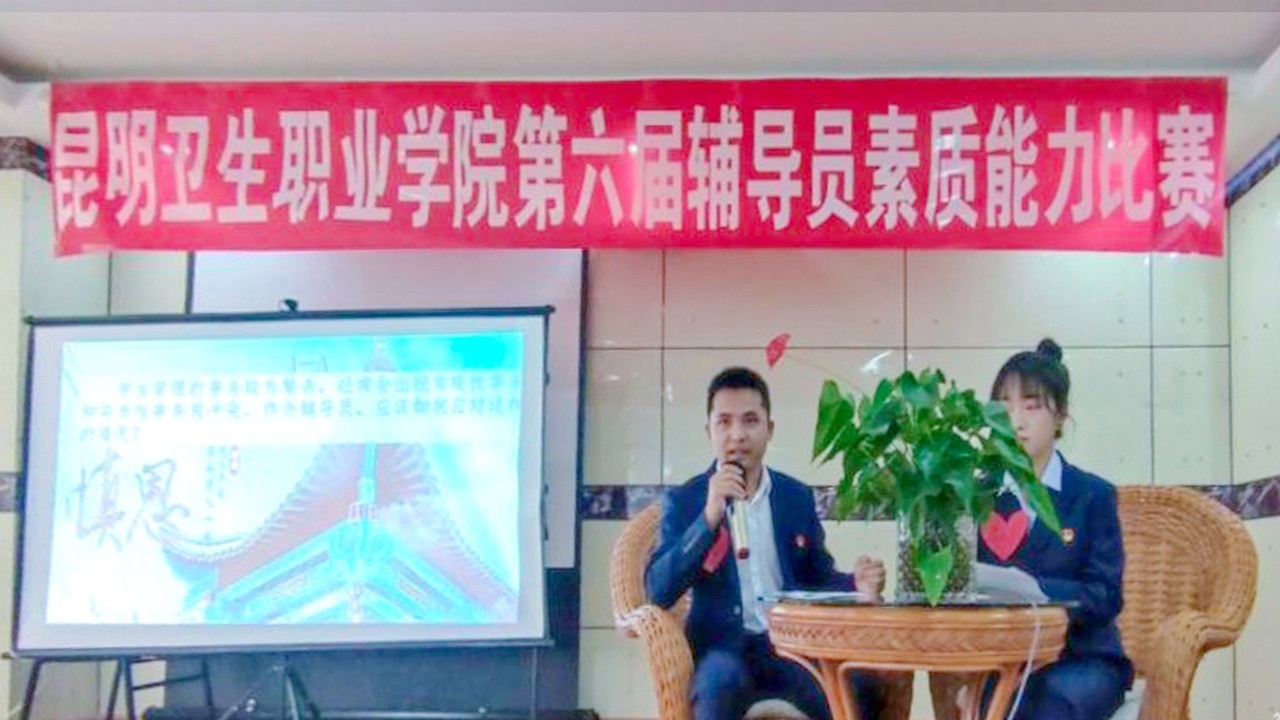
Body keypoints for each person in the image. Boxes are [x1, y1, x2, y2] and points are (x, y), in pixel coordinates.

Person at [646, 366, 892, 720]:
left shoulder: (794, 496)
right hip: (722, 650)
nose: (737, 435)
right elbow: (657, 590)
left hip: (790, 647)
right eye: (724, 422)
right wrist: (709, 518)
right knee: (718, 685)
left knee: (858, 687)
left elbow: (815, 577)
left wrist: (856, 584)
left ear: (769, 429)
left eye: (750, 421)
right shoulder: (686, 500)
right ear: (709, 431)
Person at [936, 338, 1133, 720]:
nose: (1016, 422)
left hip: (1082, 660)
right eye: (1004, 406)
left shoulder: (1091, 495)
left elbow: (1106, 596)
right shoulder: (977, 496)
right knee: (998, 699)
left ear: (1060, 416)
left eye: (1031, 406)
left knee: (1042, 703)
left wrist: (1040, 591)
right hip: (1003, 661)